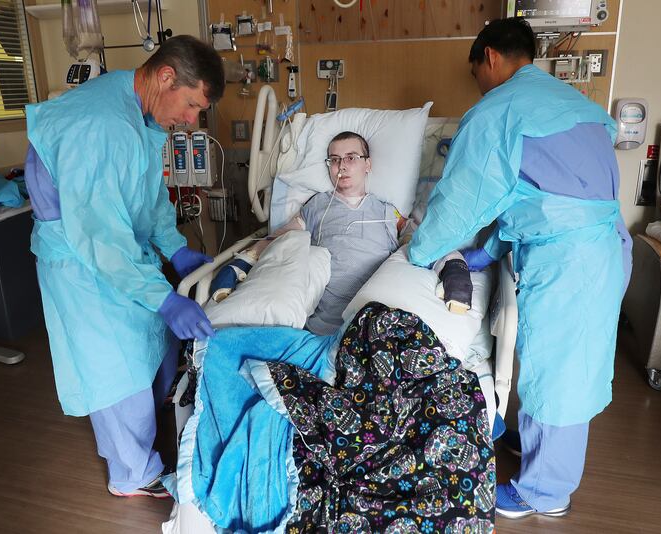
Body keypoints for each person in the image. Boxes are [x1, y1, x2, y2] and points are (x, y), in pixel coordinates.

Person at [408, 18, 632, 519]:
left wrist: (418, 253)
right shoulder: (576, 105)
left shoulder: (500, 111)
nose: (479, 87)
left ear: (489, 57)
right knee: (571, 362)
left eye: (476, 75)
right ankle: (527, 446)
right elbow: (544, 195)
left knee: (560, 374)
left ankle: (544, 493)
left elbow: (458, 202)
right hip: (604, 245)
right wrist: (489, 251)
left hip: (569, 259)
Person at [24, 36, 224, 498]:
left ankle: (147, 437)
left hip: (118, 253)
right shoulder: (98, 124)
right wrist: (162, 295)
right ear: (166, 77)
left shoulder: (139, 114)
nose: (192, 121)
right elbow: (99, 236)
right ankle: (132, 474)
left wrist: (175, 249)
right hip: (83, 263)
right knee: (116, 368)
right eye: (192, 105)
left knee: (151, 347)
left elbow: (149, 193)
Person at [211, 131, 403, 335]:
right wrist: (243, 260)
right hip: (325, 325)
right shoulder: (318, 205)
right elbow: (282, 237)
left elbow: (417, 241)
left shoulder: (387, 211)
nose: (342, 166)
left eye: (351, 158)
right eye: (335, 160)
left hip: (376, 320)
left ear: (368, 165)